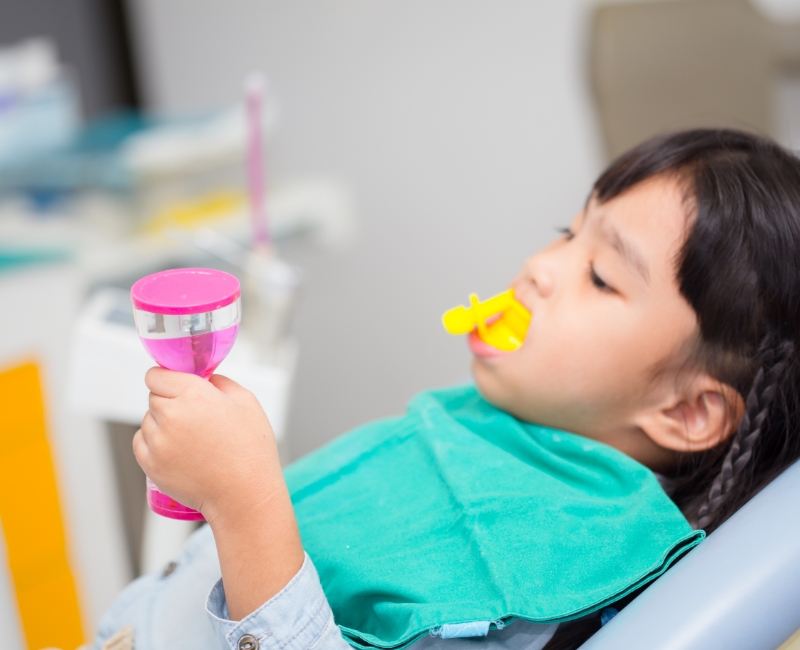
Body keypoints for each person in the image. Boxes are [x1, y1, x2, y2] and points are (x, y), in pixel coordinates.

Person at [92, 129, 800, 650]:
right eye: (568, 233)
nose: (538, 268)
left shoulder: (548, 569)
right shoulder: (492, 432)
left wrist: (244, 503)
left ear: (687, 409)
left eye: (602, 277)